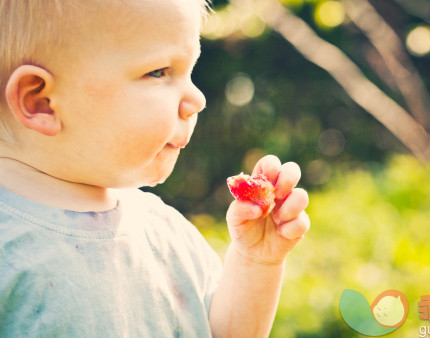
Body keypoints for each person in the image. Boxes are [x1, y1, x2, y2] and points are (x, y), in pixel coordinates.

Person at [0, 0, 310, 336]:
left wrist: (256, 262)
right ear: (41, 102)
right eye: (159, 72)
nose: (198, 100)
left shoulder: (167, 235)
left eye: (189, 71)